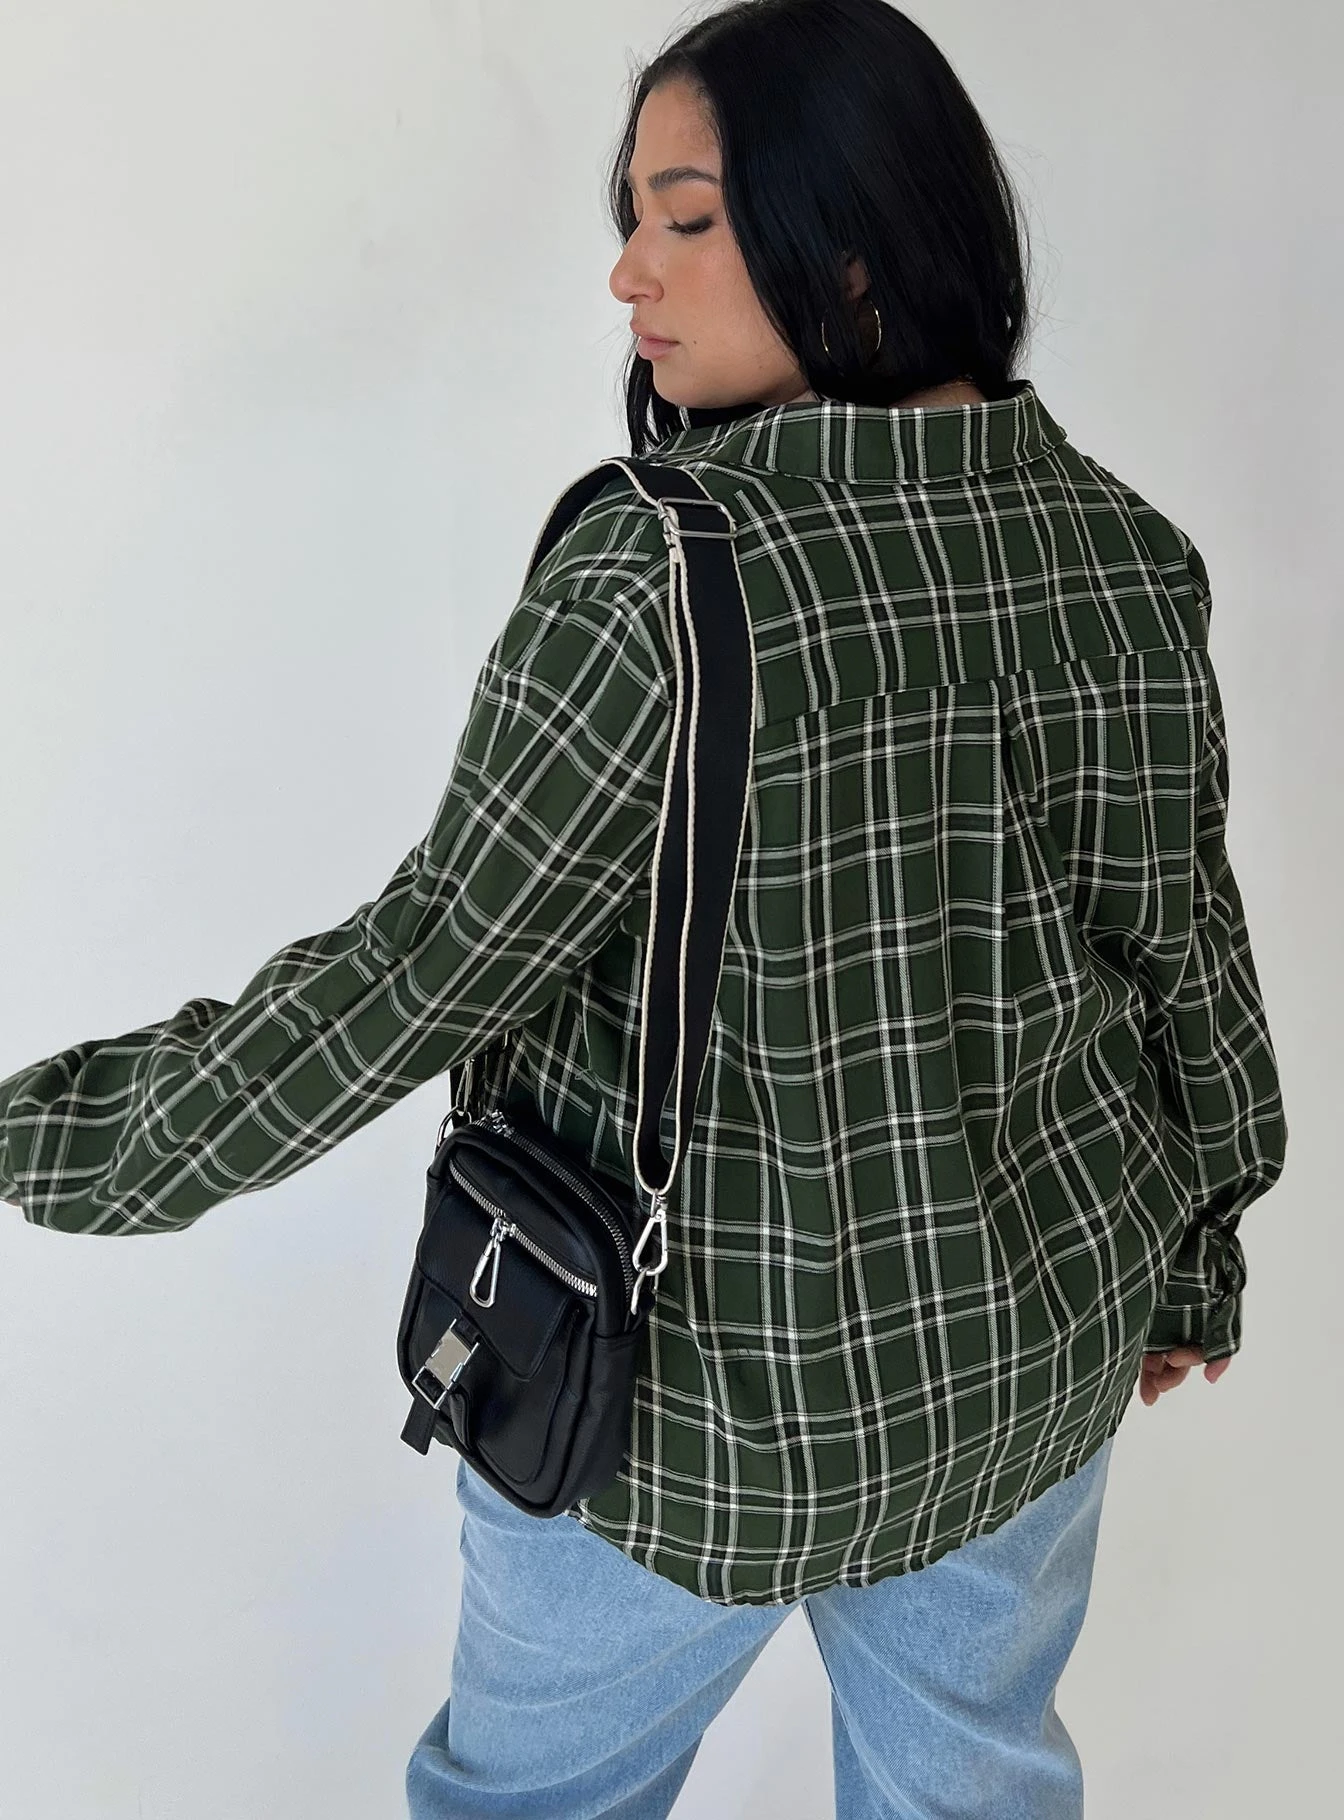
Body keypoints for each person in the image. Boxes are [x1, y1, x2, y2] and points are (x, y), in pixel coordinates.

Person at [0, 2, 1286, 1816]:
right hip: (1026, 1375)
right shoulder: (1124, 558)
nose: (628, 274)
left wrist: (54, 1147)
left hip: (678, 1428)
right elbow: (1184, 959)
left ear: (856, 238)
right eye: (633, 219)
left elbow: (413, 977)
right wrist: (1198, 1262)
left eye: (685, 218)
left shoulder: (657, 581)